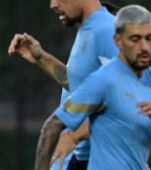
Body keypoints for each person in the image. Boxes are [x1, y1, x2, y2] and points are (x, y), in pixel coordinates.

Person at [36, 4, 151, 170]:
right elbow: (55, 124)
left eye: (149, 38)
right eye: (134, 38)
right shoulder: (102, 75)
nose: (143, 46)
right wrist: (73, 135)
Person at [8, 0, 119, 169]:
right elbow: (80, 85)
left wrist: (75, 135)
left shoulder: (108, 31)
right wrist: (41, 58)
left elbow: (127, 101)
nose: (53, 4)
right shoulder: (87, 31)